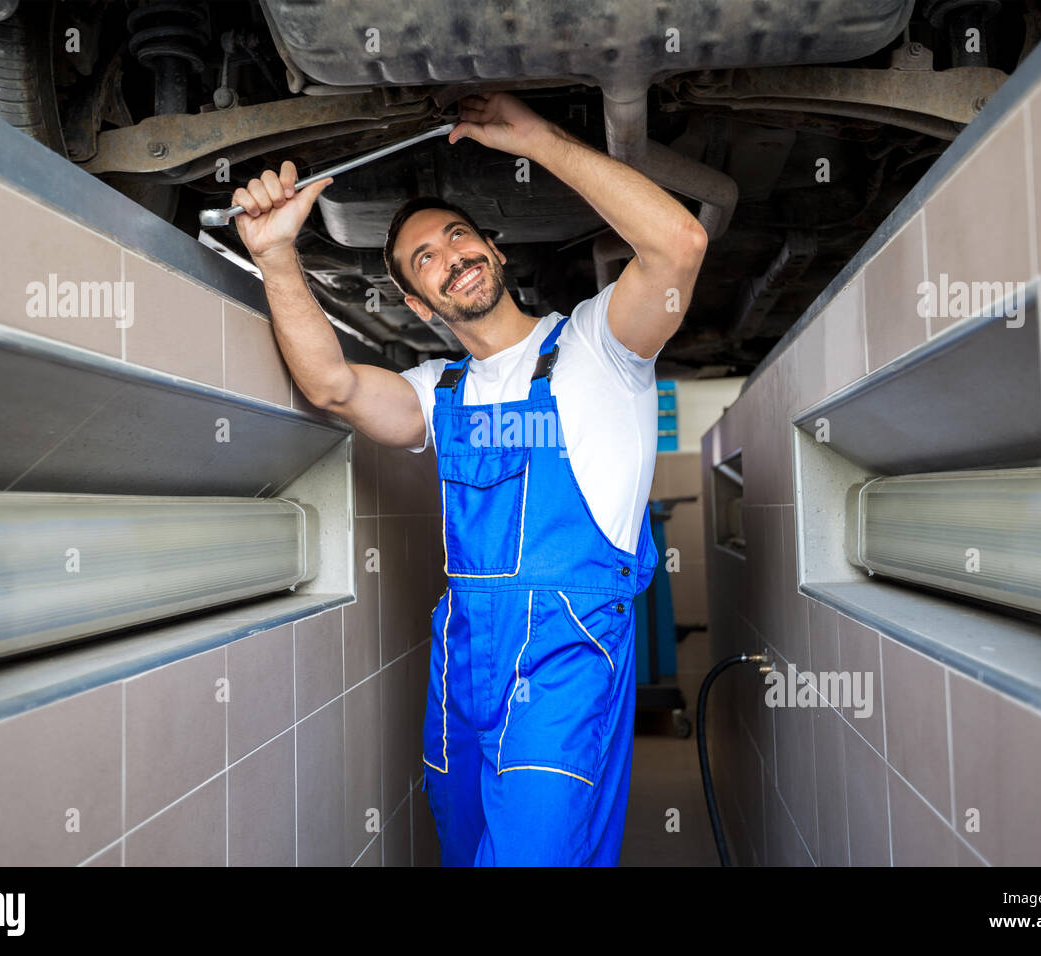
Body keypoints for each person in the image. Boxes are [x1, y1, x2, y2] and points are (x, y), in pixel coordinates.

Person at [231, 91, 708, 865]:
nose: (450, 255)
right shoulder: (436, 389)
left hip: (566, 653)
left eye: (457, 236)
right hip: (462, 656)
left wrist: (537, 139)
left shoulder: (601, 345)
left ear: (494, 248)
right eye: (426, 259)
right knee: (463, 848)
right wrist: (276, 253)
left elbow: (680, 245)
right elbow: (332, 386)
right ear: (420, 305)